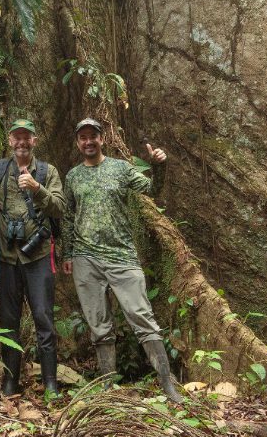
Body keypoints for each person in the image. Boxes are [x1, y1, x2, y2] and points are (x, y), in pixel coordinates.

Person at [61, 117, 183, 403]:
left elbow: (152, 189)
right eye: (83, 138)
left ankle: (168, 386)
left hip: (122, 256)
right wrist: (68, 253)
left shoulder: (120, 168)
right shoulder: (73, 177)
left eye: (93, 136)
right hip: (85, 258)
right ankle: (107, 389)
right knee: (98, 323)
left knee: (142, 316)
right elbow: (68, 217)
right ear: (78, 143)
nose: (88, 141)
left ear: (102, 139)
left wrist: (159, 165)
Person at [0, 119, 66, 396]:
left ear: (35, 140)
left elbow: (59, 208)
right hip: (6, 258)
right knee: (8, 322)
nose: (21, 142)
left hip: (38, 256)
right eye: (17, 137)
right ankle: (9, 382)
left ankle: (50, 383)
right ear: (10, 140)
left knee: (43, 318)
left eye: (26, 137)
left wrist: (36, 188)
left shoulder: (47, 171)